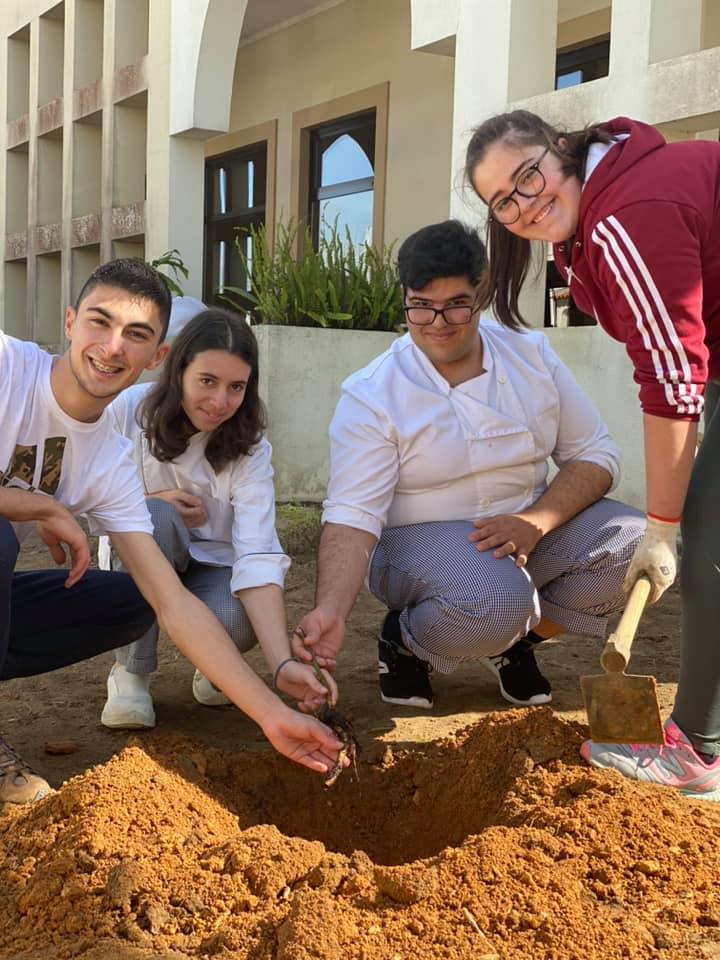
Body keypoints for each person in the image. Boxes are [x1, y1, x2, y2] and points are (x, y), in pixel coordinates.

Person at [0, 259, 344, 804]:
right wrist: (29, 505)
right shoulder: (6, 367)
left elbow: (175, 603)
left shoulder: (106, 461)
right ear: (70, 322)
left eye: (136, 335)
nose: (113, 346)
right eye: (99, 322)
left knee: (131, 601)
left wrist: (272, 713)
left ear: (157, 354)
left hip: (202, 574)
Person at [465, 110, 720, 801]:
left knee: (706, 551)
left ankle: (698, 751)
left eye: (529, 176)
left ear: (559, 149)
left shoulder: (624, 214)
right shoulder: (600, 208)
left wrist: (662, 529)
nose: (525, 203)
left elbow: (671, 376)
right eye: (504, 201)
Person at [292, 220, 644, 716]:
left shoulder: (532, 356)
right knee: (495, 598)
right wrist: (330, 609)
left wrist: (535, 522)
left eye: (456, 303)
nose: (438, 323)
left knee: (633, 544)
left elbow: (596, 454)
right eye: (421, 305)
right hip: (415, 542)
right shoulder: (373, 393)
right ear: (404, 297)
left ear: (482, 294)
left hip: (524, 530)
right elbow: (352, 517)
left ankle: (514, 645)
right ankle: (405, 641)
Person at [99, 307, 335, 728]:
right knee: (150, 517)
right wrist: (150, 498)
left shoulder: (250, 447)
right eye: (207, 381)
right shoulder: (128, 412)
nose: (220, 401)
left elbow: (257, 551)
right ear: (178, 371)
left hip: (213, 568)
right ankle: (132, 673)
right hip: (140, 558)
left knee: (239, 618)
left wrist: (280, 663)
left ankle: (217, 668)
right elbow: (93, 506)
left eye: (236, 386)